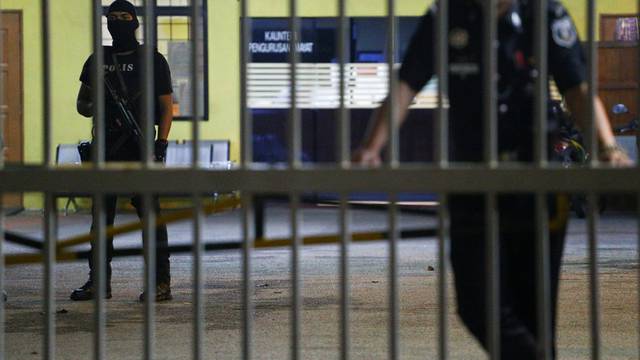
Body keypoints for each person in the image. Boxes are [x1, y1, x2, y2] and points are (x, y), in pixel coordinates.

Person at [354, 0, 631, 358]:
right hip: (473, 180)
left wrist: (608, 148)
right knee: (476, 305)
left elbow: (577, 88)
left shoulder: (544, 14)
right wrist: (370, 147)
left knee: (535, 317)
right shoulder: (446, 17)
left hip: (537, 182)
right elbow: (406, 86)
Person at [71, 0, 174, 302]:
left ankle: (160, 283)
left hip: (141, 147)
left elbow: (166, 107)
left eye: (124, 16)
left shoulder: (152, 60)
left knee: (150, 216)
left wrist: (162, 143)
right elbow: (82, 105)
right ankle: (98, 282)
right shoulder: (97, 60)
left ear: (135, 22)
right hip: (106, 149)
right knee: (101, 220)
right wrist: (102, 103)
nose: (118, 21)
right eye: (112, 17)